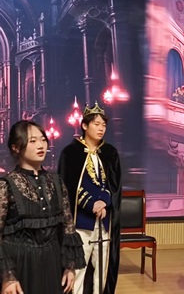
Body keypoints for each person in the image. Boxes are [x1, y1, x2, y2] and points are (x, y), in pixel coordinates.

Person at [0, 120, 85, 294]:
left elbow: (67, 228)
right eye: (32, 141)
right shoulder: (6, 185)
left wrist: (69, 267)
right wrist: (8, 276)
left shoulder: (56, 182)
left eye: (43, 139)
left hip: (52, 264)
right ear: (16, 147)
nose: (41, 145)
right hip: (20, 266)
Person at [58, 102, 122, 294]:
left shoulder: (110, 153)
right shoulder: (71, 153)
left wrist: (104, 201)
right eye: (96, 124)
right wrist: (91, 203)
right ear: (85, 125)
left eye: (104, 125)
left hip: (104, 222)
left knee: (102, 271)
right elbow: (68, 187)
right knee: (78, 271)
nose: (101, 128)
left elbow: (114, 185)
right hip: (81, 223)